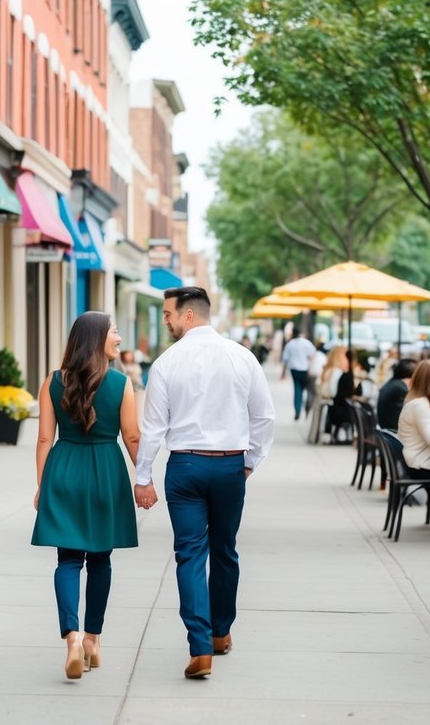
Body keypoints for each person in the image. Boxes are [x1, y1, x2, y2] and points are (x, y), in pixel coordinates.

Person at [134, 286, 275, 679]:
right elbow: (264, 418)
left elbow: (153, 429)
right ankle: (219, 633)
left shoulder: (165, 363)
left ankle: (200, 648)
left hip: (185, 469)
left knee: (190, 555)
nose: (165, 320)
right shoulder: (242, 358)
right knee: (225, 550)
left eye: (168, 314)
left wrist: (143, 477)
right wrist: (249, 463)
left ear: (188, 315)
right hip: (229, 466)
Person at [32, 312, 141, 680]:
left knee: (67, 560)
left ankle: (73, 639)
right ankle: (93, 639)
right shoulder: (120, 384)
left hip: (64, 469)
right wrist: (145, 479)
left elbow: (45, 438)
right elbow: (132, 438)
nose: (119, 338)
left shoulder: (52, 381)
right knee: (100, 559)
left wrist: (41, 484)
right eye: (114, 333)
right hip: (106, 473)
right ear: (96, 339)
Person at [280, 329, 317, 421]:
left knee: (297, 389)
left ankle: (297, 409)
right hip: (305, 369)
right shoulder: (306, 343)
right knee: (306, 389)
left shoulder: (290, 344)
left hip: (294, 369)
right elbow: (313, 354)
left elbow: (285, 359)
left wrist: (283, 373)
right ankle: (305, 407)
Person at [376, 358, 418, 432]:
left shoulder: (392, 384)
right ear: (414, 375)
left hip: (386, 433)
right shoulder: (400, 389)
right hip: (394, 436)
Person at [118, 349, 146, 413]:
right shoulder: (122, 366)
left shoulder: (136, 365)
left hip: (139, 387)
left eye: (130, 355)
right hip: (129, 388)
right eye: (127, 355)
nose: (129, 357)